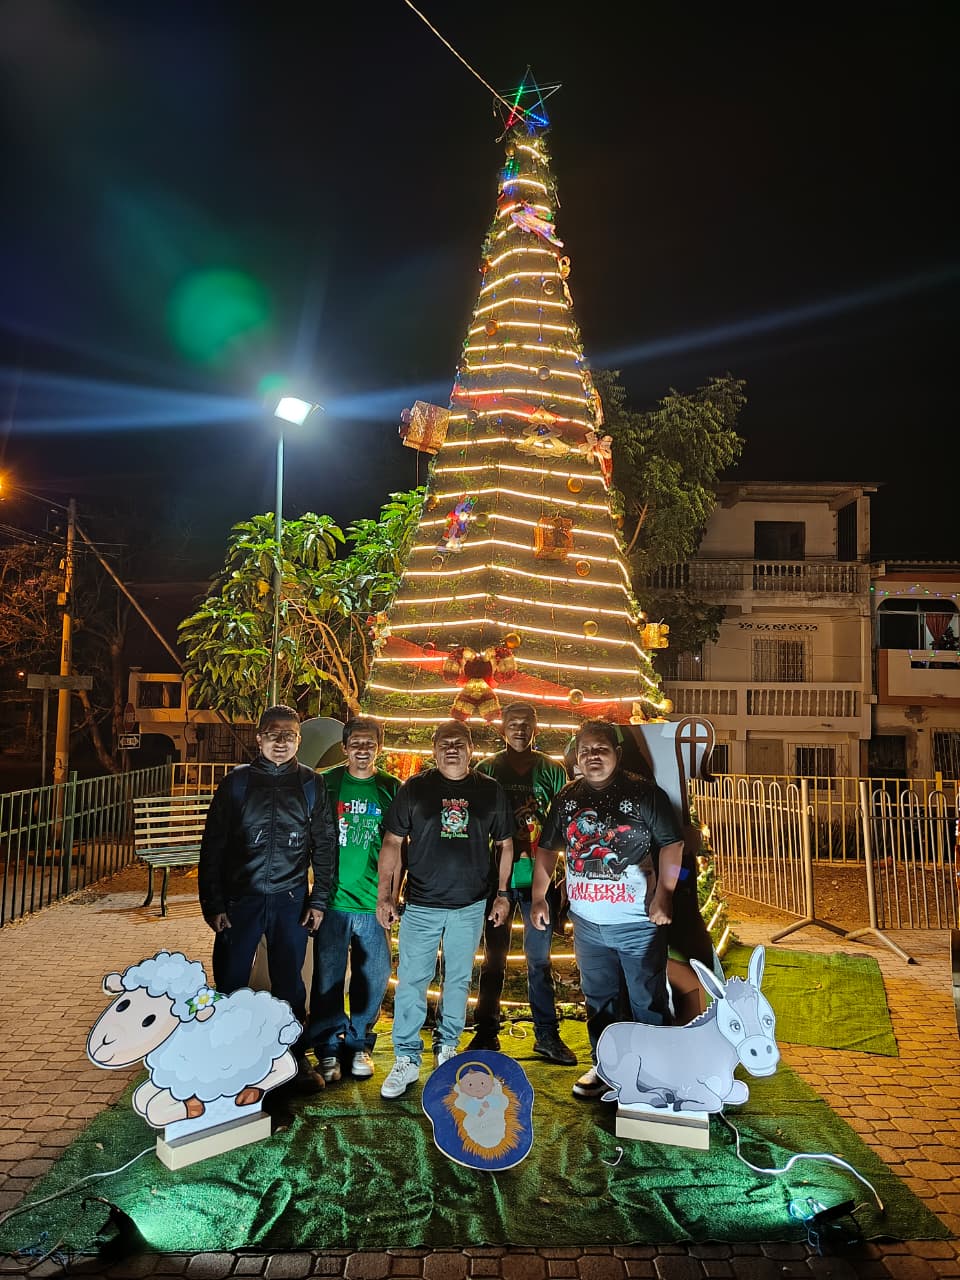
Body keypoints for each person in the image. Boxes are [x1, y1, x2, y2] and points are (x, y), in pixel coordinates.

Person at [532, 719, 684, 1100]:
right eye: (585, 751)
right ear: (576, 757)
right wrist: (538, 896)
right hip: (588, 924)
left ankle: (656, 1074)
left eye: (600, 749)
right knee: (599, 999)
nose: (592, 756)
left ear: (617, 752)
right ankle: (606, 1067)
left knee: (647, 999)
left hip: (637, 923)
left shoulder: (644, 793)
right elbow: (547, 848)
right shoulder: (567, 798)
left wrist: (665, 893)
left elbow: (672, 844)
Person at [198, 704, 338, 1092]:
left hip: (290, 901)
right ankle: (228, 1055)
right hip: (240, 901)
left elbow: (325, 845)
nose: (281, 742)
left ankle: (292, 1055)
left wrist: (319, 900)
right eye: (273, 734)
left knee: (290, 984)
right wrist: (213, 903)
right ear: (259, 738)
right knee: (230, 980)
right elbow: (213, 847)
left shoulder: (311, 784)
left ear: (299, 740)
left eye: (289, 736)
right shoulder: (236, 783)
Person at [376, 720, 514, 1099]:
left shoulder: (490, 790)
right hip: (421, 904)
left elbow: (505, 843)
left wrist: (502, 894)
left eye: (459, 743)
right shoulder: (415, 789)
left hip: (470, 905)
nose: (452, 749)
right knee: (412, 981)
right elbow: (392, 842)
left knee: (458, 980)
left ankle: (448, 1047)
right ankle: (406, 1057)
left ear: (472, 748)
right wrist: (385, 895)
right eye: (444, 743)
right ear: (434, 749)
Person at [469, 701, 577, 1065]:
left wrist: (566, 877)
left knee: (539, 961)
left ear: (535, 728)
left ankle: (546, 1034)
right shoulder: (486, 770)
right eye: (513, 723)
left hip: (538, 883)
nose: (519, 729)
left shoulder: (552, 771)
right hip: (495, 881)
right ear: (502, 728)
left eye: (526, 723)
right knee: (493, 959)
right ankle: (486, 1032)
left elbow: (566, 825)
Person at [306, 717, 400, 1084]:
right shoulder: (326, 784)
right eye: (356, 743)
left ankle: (360, 1043)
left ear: (379, 747)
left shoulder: (391, 788)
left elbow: (399, 846)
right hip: (332, 902)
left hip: (373, 903)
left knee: (373, 976)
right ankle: (328, 1048)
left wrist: (390, 896)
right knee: (328, 978)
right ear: (344, 747)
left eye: (369, 743)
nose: (363, 750)